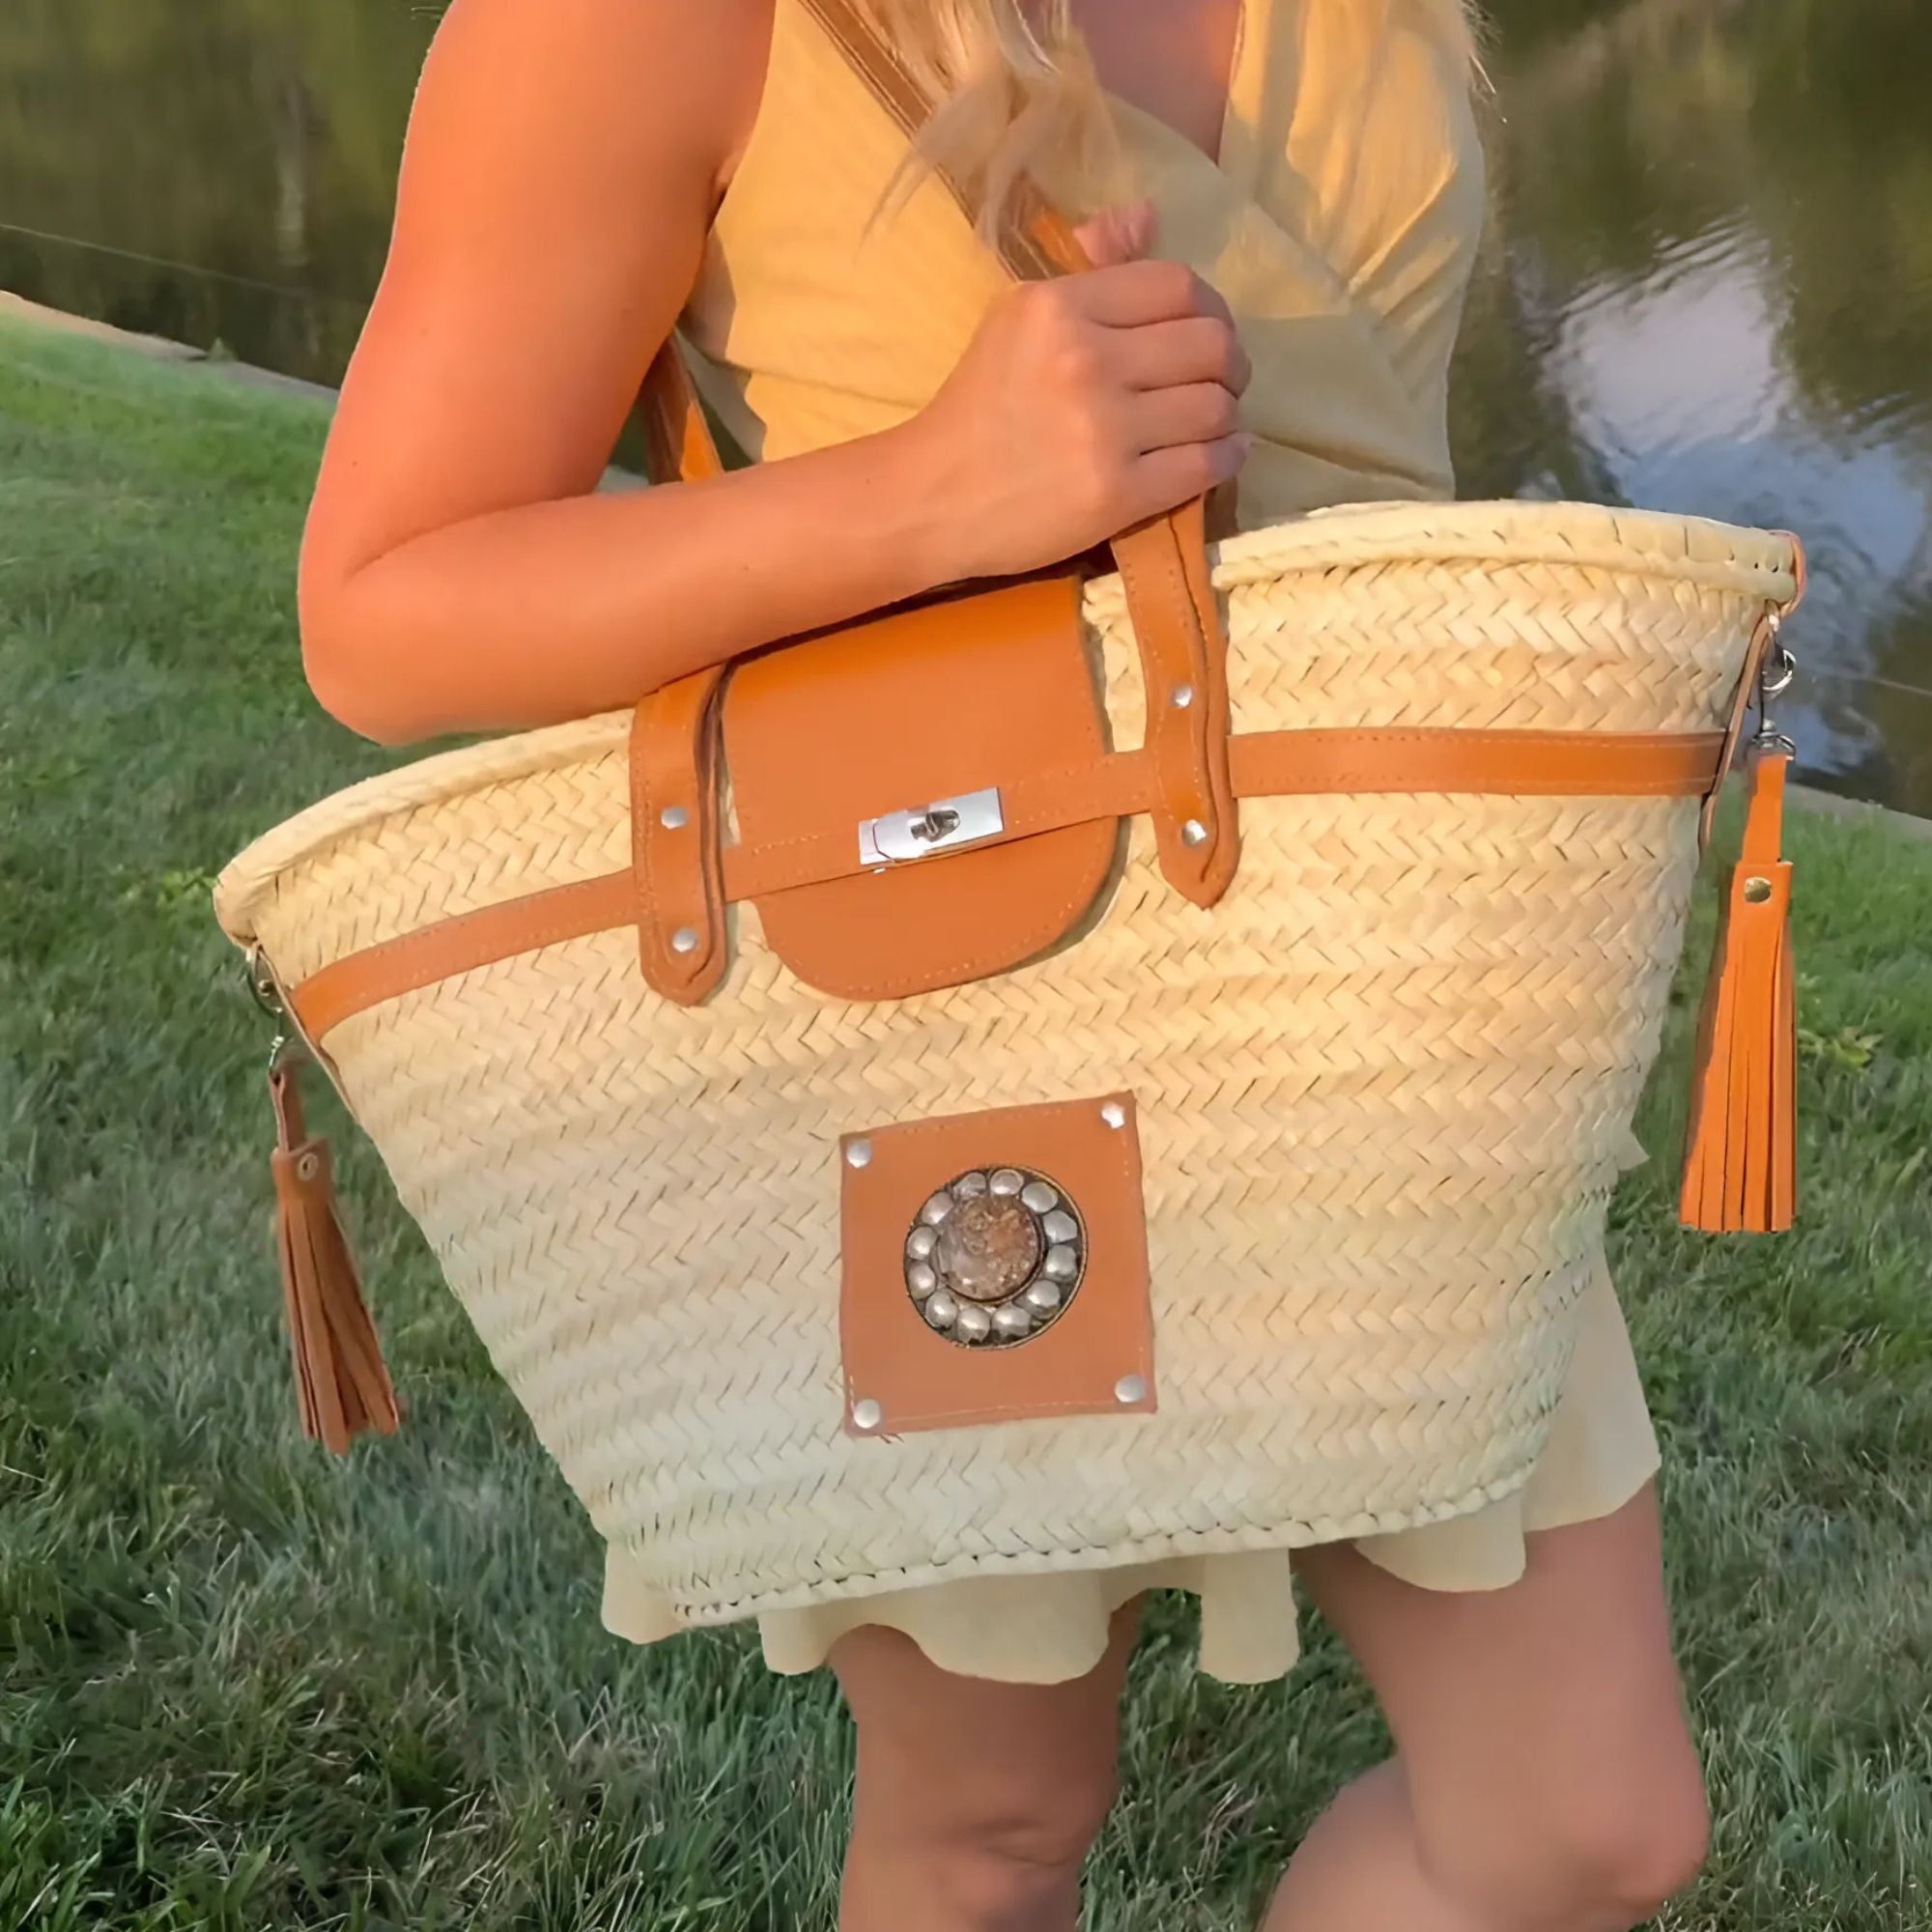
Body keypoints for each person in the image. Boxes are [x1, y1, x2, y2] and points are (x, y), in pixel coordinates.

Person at [297, 3, 1712, 1927]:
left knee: (1578, 1822)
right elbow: (380, 609)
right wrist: (932, 493)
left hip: (1391, 997)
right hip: (960, 987)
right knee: (991, 1827)